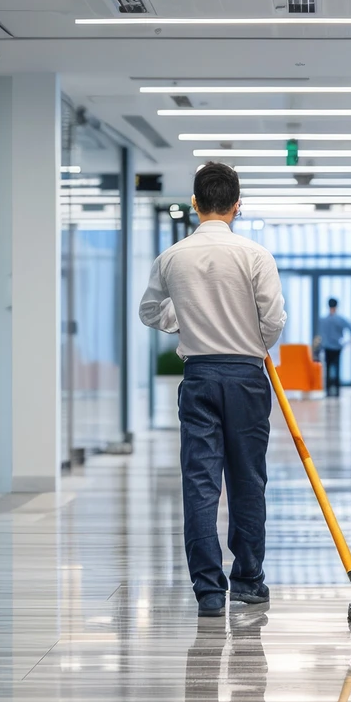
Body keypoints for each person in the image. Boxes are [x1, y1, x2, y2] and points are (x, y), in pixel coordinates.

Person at [139, 162, 286, 618]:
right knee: (248, 480)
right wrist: (248, 337)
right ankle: (247, 580)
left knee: (200, 483)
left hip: (199, 376)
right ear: (237, 205)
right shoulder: (255, 255)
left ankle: (207, 590)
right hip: (246, 376)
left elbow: (149, 311)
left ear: (196, 204)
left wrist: (185, 319)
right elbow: (274, 321)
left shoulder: (172, 257)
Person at [315, 298, 351, 397]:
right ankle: (337, 391)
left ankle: (328, 391)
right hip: (337, 347)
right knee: (337, 368)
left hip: (326, 347)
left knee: (328, 367)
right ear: (336, 306)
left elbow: (319, 335)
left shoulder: (323, 320)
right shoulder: (340, 320)